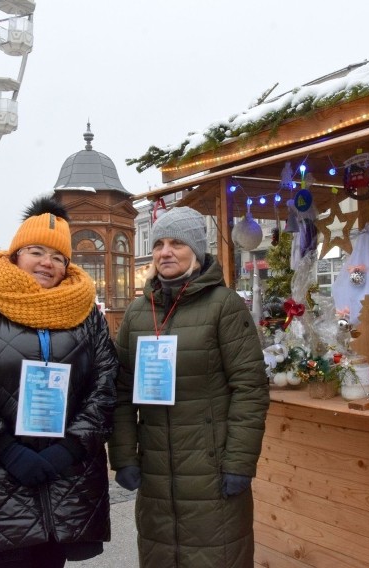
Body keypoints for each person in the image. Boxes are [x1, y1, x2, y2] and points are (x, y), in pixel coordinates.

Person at [0, 197, 117, 568]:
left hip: (66, 479)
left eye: (58, 257)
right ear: (16, 254)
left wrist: (69, 449)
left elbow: (106, 386)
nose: (47, 263)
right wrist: (7, 450)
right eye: (36, 251)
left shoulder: (87, 317)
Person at [108, 206, 271, 568]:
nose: (165, 252)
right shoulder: (137, 314)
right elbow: (120, 394)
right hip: (155, 476)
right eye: (159, 243)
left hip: (211, 472)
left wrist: (239, 463)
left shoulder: (223, 306)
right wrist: (123, 456)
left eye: (177, 243)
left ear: (196, 252)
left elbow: (250, 388)